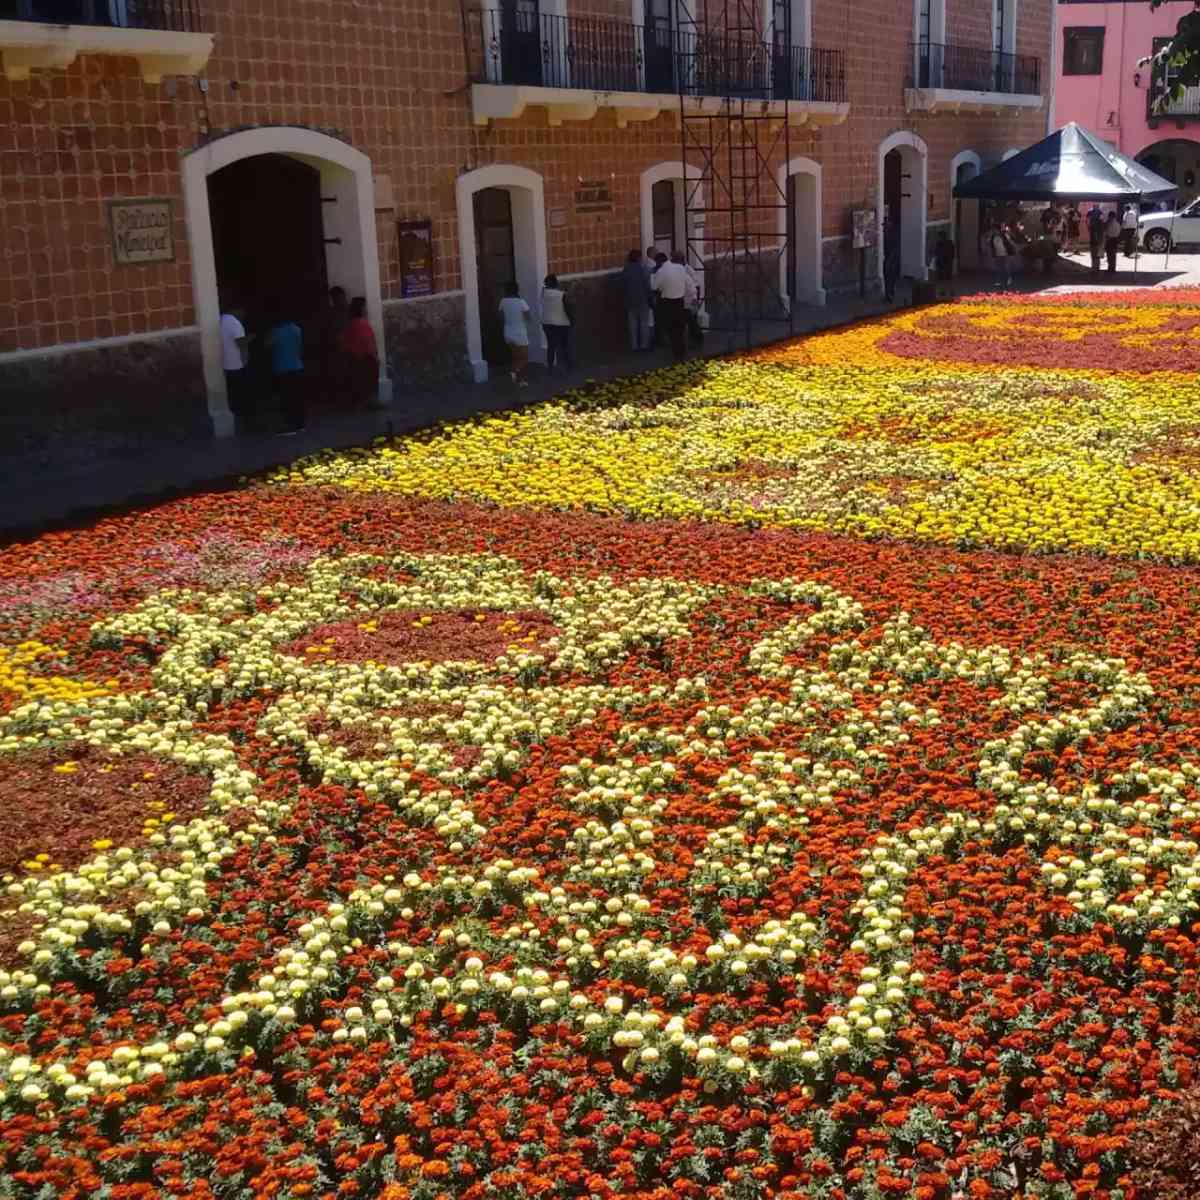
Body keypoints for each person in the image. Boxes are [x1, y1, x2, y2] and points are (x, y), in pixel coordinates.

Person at [266, 305, 306, 435]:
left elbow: (267, 344)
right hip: (297, 366)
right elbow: (300, 348)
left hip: (283, 368)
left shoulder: (276, 331)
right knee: (298, 398)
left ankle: (290, 425)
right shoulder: (297, 329)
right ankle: (300, 424)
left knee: (287, 398)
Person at [219, 299, 255, 434]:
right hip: (237, 365)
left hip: (226, 365)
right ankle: (246, 425)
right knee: (243, 396)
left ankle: (239, 423)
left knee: (233, 396)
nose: (244, 315)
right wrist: (252, 337)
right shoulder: (234, 322)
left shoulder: (221, 319)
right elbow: (240, 342)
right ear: (238, 310)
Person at [651, 251, 694, 361]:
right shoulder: (681, 269)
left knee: (671, 328)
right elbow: (690, 285)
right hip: (679, 302)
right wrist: (691, 298)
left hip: (667, 303)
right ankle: (681, 350)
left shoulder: (661, 270)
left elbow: (654, 286)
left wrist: (661, 286)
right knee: (680, 327)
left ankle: (676, 351)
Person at [340, 296, 379, 408]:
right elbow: (367, 342)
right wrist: (375, 357)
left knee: (358, 383)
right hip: (366, 358)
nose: (366, 309)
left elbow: (344, 342)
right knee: (368, 383)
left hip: (354, 358)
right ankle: (368, 403)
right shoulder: (362, 324)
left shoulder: (349, 324)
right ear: (361, 309)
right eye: (365, 307)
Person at [499, 280, 531, 386]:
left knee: (516, 358)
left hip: (508, 333)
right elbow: (528, 317)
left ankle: (519, 380)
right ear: (517, 290)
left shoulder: (503, 301)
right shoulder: (521, 302)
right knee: (524, 358)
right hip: (520, 333)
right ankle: (514, 372)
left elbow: (501, 317)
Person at [540, 273, 573, 372]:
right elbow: (567, 308)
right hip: (561, 323)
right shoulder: (562, 295)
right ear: (556, 283)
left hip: (546, 323)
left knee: (551, 346)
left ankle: (550, 368)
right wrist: (572, 319)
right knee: (564, 346)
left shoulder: (543, 293)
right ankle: (567, 366)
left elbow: (545, 289)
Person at [621, 249, 652, 351]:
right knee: (644, 323)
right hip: (642, 300)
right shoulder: (644, 269)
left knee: (632, 324)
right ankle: (644, 345)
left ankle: (634, 345)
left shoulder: (626, 269)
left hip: (630, 300)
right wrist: (650, 298)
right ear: (639, 258)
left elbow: (623, 285)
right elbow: (647, 286)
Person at [989, 222, 1014, 289]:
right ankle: (1000, 282)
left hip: (1005, 254)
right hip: (998, 254)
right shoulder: (993, 237)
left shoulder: (1004, 235)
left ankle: (1008, 280)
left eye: (995, 230)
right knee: (999, 268)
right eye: (993, 230)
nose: (994, 231)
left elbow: (1010, 242)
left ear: (998, 230)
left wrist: (1009, 249)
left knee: (1005, 268)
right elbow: (991, 244)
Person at [882, 218, 900, 302]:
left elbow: (894, 249)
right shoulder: (885, 234)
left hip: (892, 260)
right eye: (884, 226)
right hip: (887, 259)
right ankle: (888, 295)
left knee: (891, 279)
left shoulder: (893, 235)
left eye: (886, 225)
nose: (884, 228)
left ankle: (890, 295)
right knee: (887, 278)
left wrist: (889, 260)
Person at [1087, 204, 1105, 274]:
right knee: (1097, 255)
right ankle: (1097, 268)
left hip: (1094, 238)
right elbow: (1102, 221)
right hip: (1099, 237)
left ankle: (1094, 268)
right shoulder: (1100, 212)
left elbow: (1088, 221)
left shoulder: (1090, 212)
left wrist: (1089, 228)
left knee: (1093, 254)